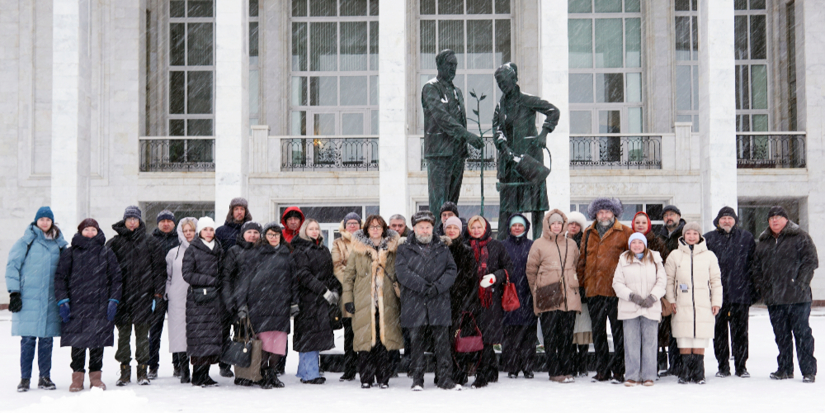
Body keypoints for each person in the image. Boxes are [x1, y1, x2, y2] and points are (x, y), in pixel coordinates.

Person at [492, 62, 560, 240]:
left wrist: (544, 133)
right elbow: (497, 130)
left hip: (530, 159)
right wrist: (505, 148)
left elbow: (553, 111)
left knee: (537, 204)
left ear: (514, 80)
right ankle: (506, 243)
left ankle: (538, 241)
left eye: (505, 82)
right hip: (510, 163)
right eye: (499, 84)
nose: (503, 87)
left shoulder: (527, 100)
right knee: (508, 207)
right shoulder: (500, 106)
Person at [752, 206, 819, 383]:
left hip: (798, 297)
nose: (775, 220)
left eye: (779, 217)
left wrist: (801, 283)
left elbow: (811, 261)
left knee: (802, 334)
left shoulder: (800, 237)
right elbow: (756, 268)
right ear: (768, 221)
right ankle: (785, 369)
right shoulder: (764, 241)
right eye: (772, 217)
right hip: (774, 298)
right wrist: (763, 288)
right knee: (781, 336)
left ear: (786, 220)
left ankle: (808, 371)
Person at [54, 219, 122, 391]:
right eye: (87, 230)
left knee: (97, 344)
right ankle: (77, 378)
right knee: (78, 344)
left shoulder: (106, 252)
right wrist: (63, 301)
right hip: (76, 306)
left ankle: (95, 378)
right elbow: (60, 278)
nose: (90, 233)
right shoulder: (70, 253)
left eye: (93, 229)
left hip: (100, 306)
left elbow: (116, 279)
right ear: (80, 232)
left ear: (97, 231)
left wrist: (113, 300)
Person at [396, 211, 461, 391]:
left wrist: (438, 286)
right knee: (416, 345)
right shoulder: (404, 248)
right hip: (414, 302)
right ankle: (417, 379)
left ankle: (445, 379)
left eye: (428, 227)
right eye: (421, 227)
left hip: (438, 301)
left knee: (442, 345)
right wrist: (423, 286)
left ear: (433, 228)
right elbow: (402, 273)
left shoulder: (443, 247)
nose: (424, 230)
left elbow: (451, 270)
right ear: (414, 228)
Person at [6, 206, 67, 392]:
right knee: (28, 340)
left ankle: (44, 377)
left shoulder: (60, 244)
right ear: (36, 221)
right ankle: (25, 378)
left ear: (52, 222)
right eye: (42, 219)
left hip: (50, 299)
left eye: (48, 219)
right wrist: (14, 292)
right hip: (29, 299)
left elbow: (66, 271)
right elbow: (12, 267)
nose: (45, 223)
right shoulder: (25, 242)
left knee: (47, 341)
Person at [106, 206, 166, 386]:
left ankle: (142, 371)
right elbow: (107, 271)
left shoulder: (151, 242)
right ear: (124, 220)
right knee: (123, 337)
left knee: (142, 337)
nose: (132, 222)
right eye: (129, 218)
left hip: (144, 297)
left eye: (135, 218)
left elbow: (159, 270)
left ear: (140, 221)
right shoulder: (114, 243)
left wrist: (157, 294)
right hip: (122, 299)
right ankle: (124, 371)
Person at [576, 198, 633, 383]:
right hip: (594, 291)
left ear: (614, 213)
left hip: (616, 292)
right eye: (600, 212)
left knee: (618, 333)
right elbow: (582, 261)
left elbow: (631, 262)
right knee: (598, 333)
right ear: (595, 214)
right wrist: (582, 285)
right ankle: (602, 370)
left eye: (607, 211)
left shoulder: (625, 232)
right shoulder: (588, 232)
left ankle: (619, 370)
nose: (604, 215)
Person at [342, 215, 402, 389]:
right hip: (363, 301)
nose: (375, 230)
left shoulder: (393, 250)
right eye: (371, 227)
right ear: (366, 230)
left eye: (378, 226)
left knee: (384, 341)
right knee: (365, 341)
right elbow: (349, 277)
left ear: (383, 229)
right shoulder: (358, 250)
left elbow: (399, 274)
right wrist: (348, 299)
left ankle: (383, 378)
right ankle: (366, 378)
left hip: (387, 301)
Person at [422, 49, 485, 213]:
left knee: (452, 202)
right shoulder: (430, 88)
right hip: (439, 153)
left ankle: (451, 231)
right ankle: (438, 235)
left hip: (457, 152)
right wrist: (467, 135)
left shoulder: (457, 92)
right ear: (439, 65)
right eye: (449, 64)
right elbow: (442, 118)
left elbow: (460, 120)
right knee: (439, 201)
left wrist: (464, 141)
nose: (453, 69)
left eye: (455, 65)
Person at [236, 222, 297, 389]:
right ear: (265, 236)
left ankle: (272, 373)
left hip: (281, 305)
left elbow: (294, 281)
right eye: (270, 234)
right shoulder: (255, 254)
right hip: (260, 304)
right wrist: (242, 303)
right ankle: (262, 374)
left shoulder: (287, 254)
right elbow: (245, 281)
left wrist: (294, 302)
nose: (273, 237)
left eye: (276, 234)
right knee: (263, 342)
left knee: (278, 342)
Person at [526, 210, 581, 383]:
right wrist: (537, 290)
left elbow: (576, 264)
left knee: (566, 336)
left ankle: (567, 369)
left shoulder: (571, 244)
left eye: (559, 223)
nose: (556, 226)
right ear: (548, 225)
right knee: (550, 337)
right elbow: (531, 270)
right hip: (548, 295)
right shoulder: (538, 244)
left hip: (569, 296)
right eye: (553, 223)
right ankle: (555, 371)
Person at [665, 222, 722, 385]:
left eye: (694, 233)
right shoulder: (675, 255)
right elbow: (669, 281)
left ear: (700, 236)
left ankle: (698, 372)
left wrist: (716, 301)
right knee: (684, 337)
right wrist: (671, 300)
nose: (691, 236)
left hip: (703, 303)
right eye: (688, 233)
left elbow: (716, 280)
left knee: (699, 337)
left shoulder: (709, 255)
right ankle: (685, 371)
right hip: (681, 303)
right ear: (683, 236)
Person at [703, 207, 755, 378]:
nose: (726, 221)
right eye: (723, 218)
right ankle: (723, 366)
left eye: (729, 218)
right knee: (719, 333)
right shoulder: (709, 238)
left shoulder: (746, 238)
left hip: (740, 294)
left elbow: (753, 265)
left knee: (741, 333)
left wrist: (753, 290)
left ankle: (741, 366)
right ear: (718, 221)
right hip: (717, 296)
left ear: (735, 221)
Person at [291, 218, 341, 384]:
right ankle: (310, 374)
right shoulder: (299, 250)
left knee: (315, 337)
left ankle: (305, 371)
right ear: (304, 231)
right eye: (311, 228)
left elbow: (329, 274)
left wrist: (335, 289)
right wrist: (323, 290)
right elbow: (303, 275)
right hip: (307, 300)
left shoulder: (323, 249)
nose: (314, 231)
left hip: (321, 301)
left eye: (316, 229)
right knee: (308, 337)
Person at [612, 233, 666, 387]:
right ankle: (632, 376)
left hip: (651, 307)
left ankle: (649, 376)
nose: (636, 245)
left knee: (650, 342)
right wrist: (631, 296)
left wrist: (653, 297)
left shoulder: (655, 259)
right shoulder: (623, 260)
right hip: (630, 307)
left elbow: (662, 281)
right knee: (631, 343)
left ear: (644, 244)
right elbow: (617, 283)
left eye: (639, 242)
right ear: (630, 245)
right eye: (633, 242)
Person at [465, 215, 513, 388]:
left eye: (479, 227)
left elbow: (508, 268)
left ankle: (483, 375)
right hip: (471, 300)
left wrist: (495, 277)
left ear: (485, 228)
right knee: (477, 338)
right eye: (473, 227)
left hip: (490, 299)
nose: (476, 231)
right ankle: (491, 370)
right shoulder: (466, 247)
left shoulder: (496, 246)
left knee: (486, 339)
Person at [182, 217, 225, 387]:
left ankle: (205, 374)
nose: (209, 232)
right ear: (200, 231)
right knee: (199, 337)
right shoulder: (193, 249)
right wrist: (210, 280)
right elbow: (187, 274)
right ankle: (197, 375)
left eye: (211, 229)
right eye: (205, 229)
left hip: (214, 299)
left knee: (210, 338)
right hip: (198, 300)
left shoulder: (219, 248)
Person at [220, 220, 261, 384]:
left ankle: (255, 371)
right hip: (238, 302)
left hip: (258, 302)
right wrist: (231, 302)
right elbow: (226, 279)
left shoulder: (263, 251)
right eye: (249, 232)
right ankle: (241, 373)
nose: (252, 235)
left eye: (256, 232)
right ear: (243, 234)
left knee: (256, 340)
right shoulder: (234, 251)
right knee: (240, 339)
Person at [631, 211, 669, 373]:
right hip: (632, 296)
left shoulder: (658, 243)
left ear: (649, 226)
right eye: (637, 222)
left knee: (653, 334)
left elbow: (664, 269)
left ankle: (652, 367)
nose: (640, 225)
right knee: (633, 333)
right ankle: (635, 367)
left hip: (653, 295)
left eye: (643, 223)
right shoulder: (628, 242)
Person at [501, 214, 538, 379]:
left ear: (526, 228)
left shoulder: (533, 246)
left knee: (528, 333)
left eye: (520, 225)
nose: (517, 228)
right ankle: (512, 367)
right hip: (509, 293)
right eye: (514, 225)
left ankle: (528, 367)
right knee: (510, 333)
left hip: (528, 293)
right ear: (509, 227)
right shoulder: (502, 246)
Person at [443, 216, 478, 385]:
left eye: (455, 228)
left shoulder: (466, 251)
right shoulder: (440, 250)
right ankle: (443, 373)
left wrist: (467, 302)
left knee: (460, 341)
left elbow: (473, 280)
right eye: (448, 228)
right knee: (443, 340)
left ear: (460, 230)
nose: (451, 231)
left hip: (461, 303)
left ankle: (460, 373)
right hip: (441, 301)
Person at [165, 217, 198, 384]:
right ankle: (184, 369)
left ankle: (199, 369)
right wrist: (168, 292)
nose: (188, 234)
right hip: (177, 297)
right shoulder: (173, 253)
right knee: (179, 334)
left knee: (197, 333)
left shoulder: (202, 250)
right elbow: (168, 276)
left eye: (191, 230)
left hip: (197, 296)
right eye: (185, 231)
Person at [148, 210, 180, 380]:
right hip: (156, 292)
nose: (166, 224)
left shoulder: (180, 240)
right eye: (163, 221)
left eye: (169, 221)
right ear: (158, 223)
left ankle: (178, 365)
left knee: (177, 330)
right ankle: (152, 366)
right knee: (154, 331)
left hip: (176, 291)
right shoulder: (151, 240)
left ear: (174, 223)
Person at [656, 204, 686, 376]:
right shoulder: (659, 236)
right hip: (664, 286)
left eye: (672, 214)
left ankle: (682, 363)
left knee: (680, 325)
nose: (669, 217)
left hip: (682, 286)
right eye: (666, 215)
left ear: (679, 216)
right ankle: (672, 364)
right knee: (668, 326)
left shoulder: (685, 234)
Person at [331, 212, 361, 382]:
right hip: (348, 293)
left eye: (355, 223)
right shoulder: (338, 243)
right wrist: (352, 283)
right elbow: (337, 266)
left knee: (365, 332)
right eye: (349, 223)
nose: (352, 226)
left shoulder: (366, 241)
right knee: (349, 333)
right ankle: (349, 368)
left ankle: (366, 366)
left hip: (366, 294)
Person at [567, 210, 592, 377]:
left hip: (583, 290)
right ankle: (571, 364)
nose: (574, 227)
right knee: (569, 331)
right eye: (571, 223)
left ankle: (582, 365)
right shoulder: (561, 242)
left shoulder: (587, 242)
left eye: (577, 224)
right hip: (567, 292)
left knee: (582, 331)